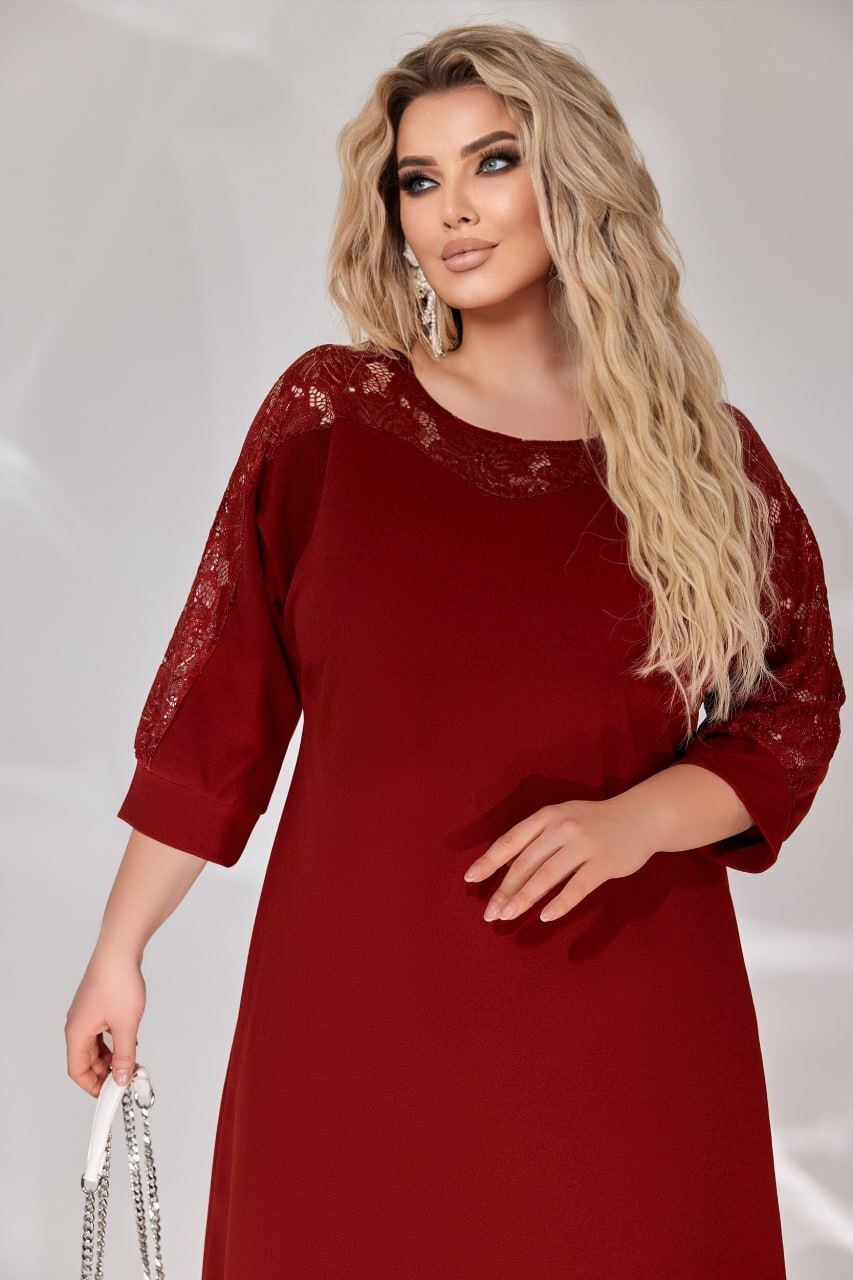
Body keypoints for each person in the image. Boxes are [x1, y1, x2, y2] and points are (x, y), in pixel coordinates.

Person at [65, 21, 845, 1279]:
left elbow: (795, 707)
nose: (451, 210)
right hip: (361, 1015)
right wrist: (120, 947)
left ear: (574, 177)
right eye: (417, 179)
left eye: (492, 162)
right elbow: (217, 712)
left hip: (628, 1026)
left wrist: (635, 820)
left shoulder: (705, 461)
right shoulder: (332, 419)